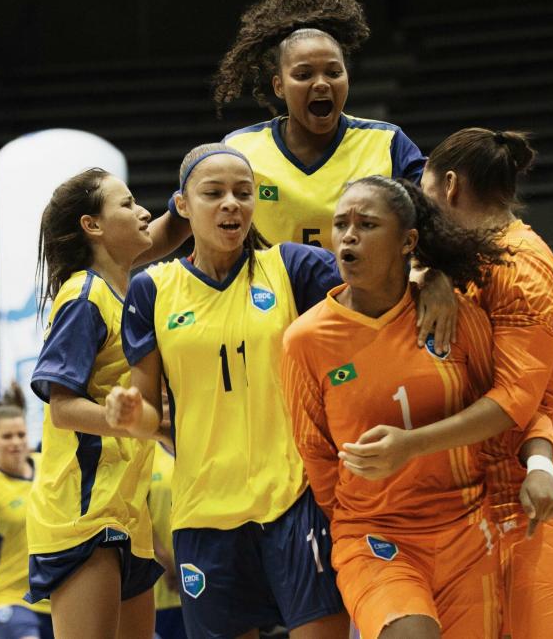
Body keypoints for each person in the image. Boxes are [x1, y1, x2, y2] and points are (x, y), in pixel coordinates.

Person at [339, 128, 553, 637]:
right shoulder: (468, 263)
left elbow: (515, 402)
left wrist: (409, 445)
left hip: (541, 488)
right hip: (474, 496)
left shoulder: (523, 267)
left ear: (450, 185)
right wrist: (426, 276)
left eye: (426, 190)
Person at [282, 176, 553, 638]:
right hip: (375, 534)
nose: (348, 236)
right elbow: (316, 454)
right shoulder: (305, 340)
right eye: (340, 224)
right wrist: (364, 505)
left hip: (467, 529)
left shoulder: (458, 316)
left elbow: (518, 402)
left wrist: (540, 466)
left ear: (408, 240)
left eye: (366, 224)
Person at [111, 143, 349, 639]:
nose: (231, 204)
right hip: (203, 514)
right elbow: (150, 415)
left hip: (295, 500)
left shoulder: (294, 268)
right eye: (213, 193)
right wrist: (131, 414)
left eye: (243, 193)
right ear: (182, 205)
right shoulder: (152, 290)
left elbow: (377, 290)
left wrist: (430, 280)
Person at [27, 168, 163, 639]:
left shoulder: (133, 295)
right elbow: (61, 407)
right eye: (126, 204)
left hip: (128, 507)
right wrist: (119, 419)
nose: (144, 212)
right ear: (93, 225)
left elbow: (177, 228)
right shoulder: (85, 296)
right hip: (83, 512)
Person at [206, 0, 426, 250]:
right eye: (303, 74)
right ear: (279, 86)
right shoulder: (240, 150)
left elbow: (437, 216)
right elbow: (180, 221)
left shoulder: (389, 143)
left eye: (334, 73)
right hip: (269, 293)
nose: (321, 83)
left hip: (360, 293)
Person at [0, 390, 53, 639]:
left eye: (21, 435)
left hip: (55, 594)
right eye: (7, 436)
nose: (16, 442)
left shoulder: (47, 466)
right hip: (9, 594)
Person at [148, 439, 184, 639]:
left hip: (195, 574)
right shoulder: (147, 451)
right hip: (160, 582)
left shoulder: (192, 447)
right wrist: (165, 561)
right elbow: (138, 512)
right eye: (161, 404)